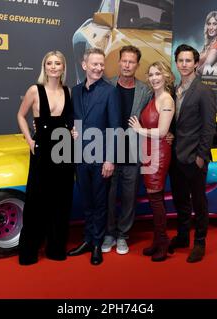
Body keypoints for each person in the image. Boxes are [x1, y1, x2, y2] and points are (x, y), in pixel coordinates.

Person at [17, 51, 74, 265]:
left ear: (63, 67)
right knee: (36, 202)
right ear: (44, 66)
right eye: (49, 63)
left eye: (57, 63)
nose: (53, 67)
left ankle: (56, 249)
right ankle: (29, 252)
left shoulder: (68, 91)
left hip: (64, 150)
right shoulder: (35, 90)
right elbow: (20, 115)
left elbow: (71, 120)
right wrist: (29, 141)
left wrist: (73, 131)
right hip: (42, 149)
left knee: (61, 201)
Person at [67, 47, 121, 265]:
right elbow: (72, 119)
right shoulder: (75, 91)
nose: (99, 68)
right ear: (84, 65)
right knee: (87, 202)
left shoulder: (110, 91)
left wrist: (110, 159)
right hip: (80, 157)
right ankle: (87, 240)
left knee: (100, 203)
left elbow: (115, 127)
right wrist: (70, 128)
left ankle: (97, 244)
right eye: (94, 64)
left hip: (101, 158)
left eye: (101, 64)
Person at [168, 44, 216, 263]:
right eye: (181, 61)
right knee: (180, 200)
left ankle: (200, 242)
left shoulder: (204, 91)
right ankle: (182, 236)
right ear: (176, 63)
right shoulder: (174, 90)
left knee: (199, 202)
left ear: (196, 63)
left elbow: (209, 128)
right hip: (176, 157)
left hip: (194, 158)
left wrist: (200, 157)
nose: (184, 64)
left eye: (188, 61)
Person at [102, 45, 152, 255]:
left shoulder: (145, 91)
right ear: (119, 62)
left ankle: (123, 236)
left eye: (132, 62)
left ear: (137, 65)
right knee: (109, 197)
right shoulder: (107, 85)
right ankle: (109, 234)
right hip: (109, 152)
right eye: (124, 60)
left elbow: (154, 116)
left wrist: (166, 132)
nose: (127, 65)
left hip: (133, 152)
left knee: (129, 198)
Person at [129, 61, 175, 262]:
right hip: (148, 152)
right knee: (153, 198)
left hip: (159, 153)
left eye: (158, 74)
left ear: (165, 76)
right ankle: (158, 241)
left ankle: (163, 242)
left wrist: (139, 130)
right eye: (151, 74)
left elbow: (163, 132)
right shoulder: (154, 96)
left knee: (156, 200)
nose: (154, 78)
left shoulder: (166, 99)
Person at [197, 11, 217, 75]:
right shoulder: (207, 45)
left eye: (214, 24)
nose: (211, 27)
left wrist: (190, 72)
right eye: (209, 24)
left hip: (204, 83)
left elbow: (204, 69)